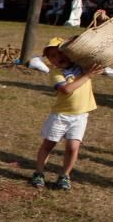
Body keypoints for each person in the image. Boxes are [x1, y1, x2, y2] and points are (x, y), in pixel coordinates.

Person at [30, 38, 103, 191]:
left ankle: (65, 175)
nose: (58, 57)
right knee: (48, 145)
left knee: (73, 147)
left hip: (80, 115)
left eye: (61, 52)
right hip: (60, 115)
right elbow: (66, 90)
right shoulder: (56, 73)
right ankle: (39, 172)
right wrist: (87, 76)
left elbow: (96, 51)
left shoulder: (83, 66)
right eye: (53, 56)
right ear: (50, 60)